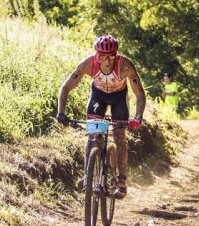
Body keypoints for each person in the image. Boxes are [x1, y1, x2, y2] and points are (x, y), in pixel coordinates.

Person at [56, 35, 146, 199]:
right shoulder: (88, 64)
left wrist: (138, 116)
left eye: (111, 56)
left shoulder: (125, 66)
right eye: (102, 56)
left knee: (119, 135)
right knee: (92, 136)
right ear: (96, 55)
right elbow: (65, 88)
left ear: (116, 54)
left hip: (119, 97)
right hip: (98, 96)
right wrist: (61, 113)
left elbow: (139, 94)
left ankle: (121, 181)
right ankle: (88, 174)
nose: (107, 60)